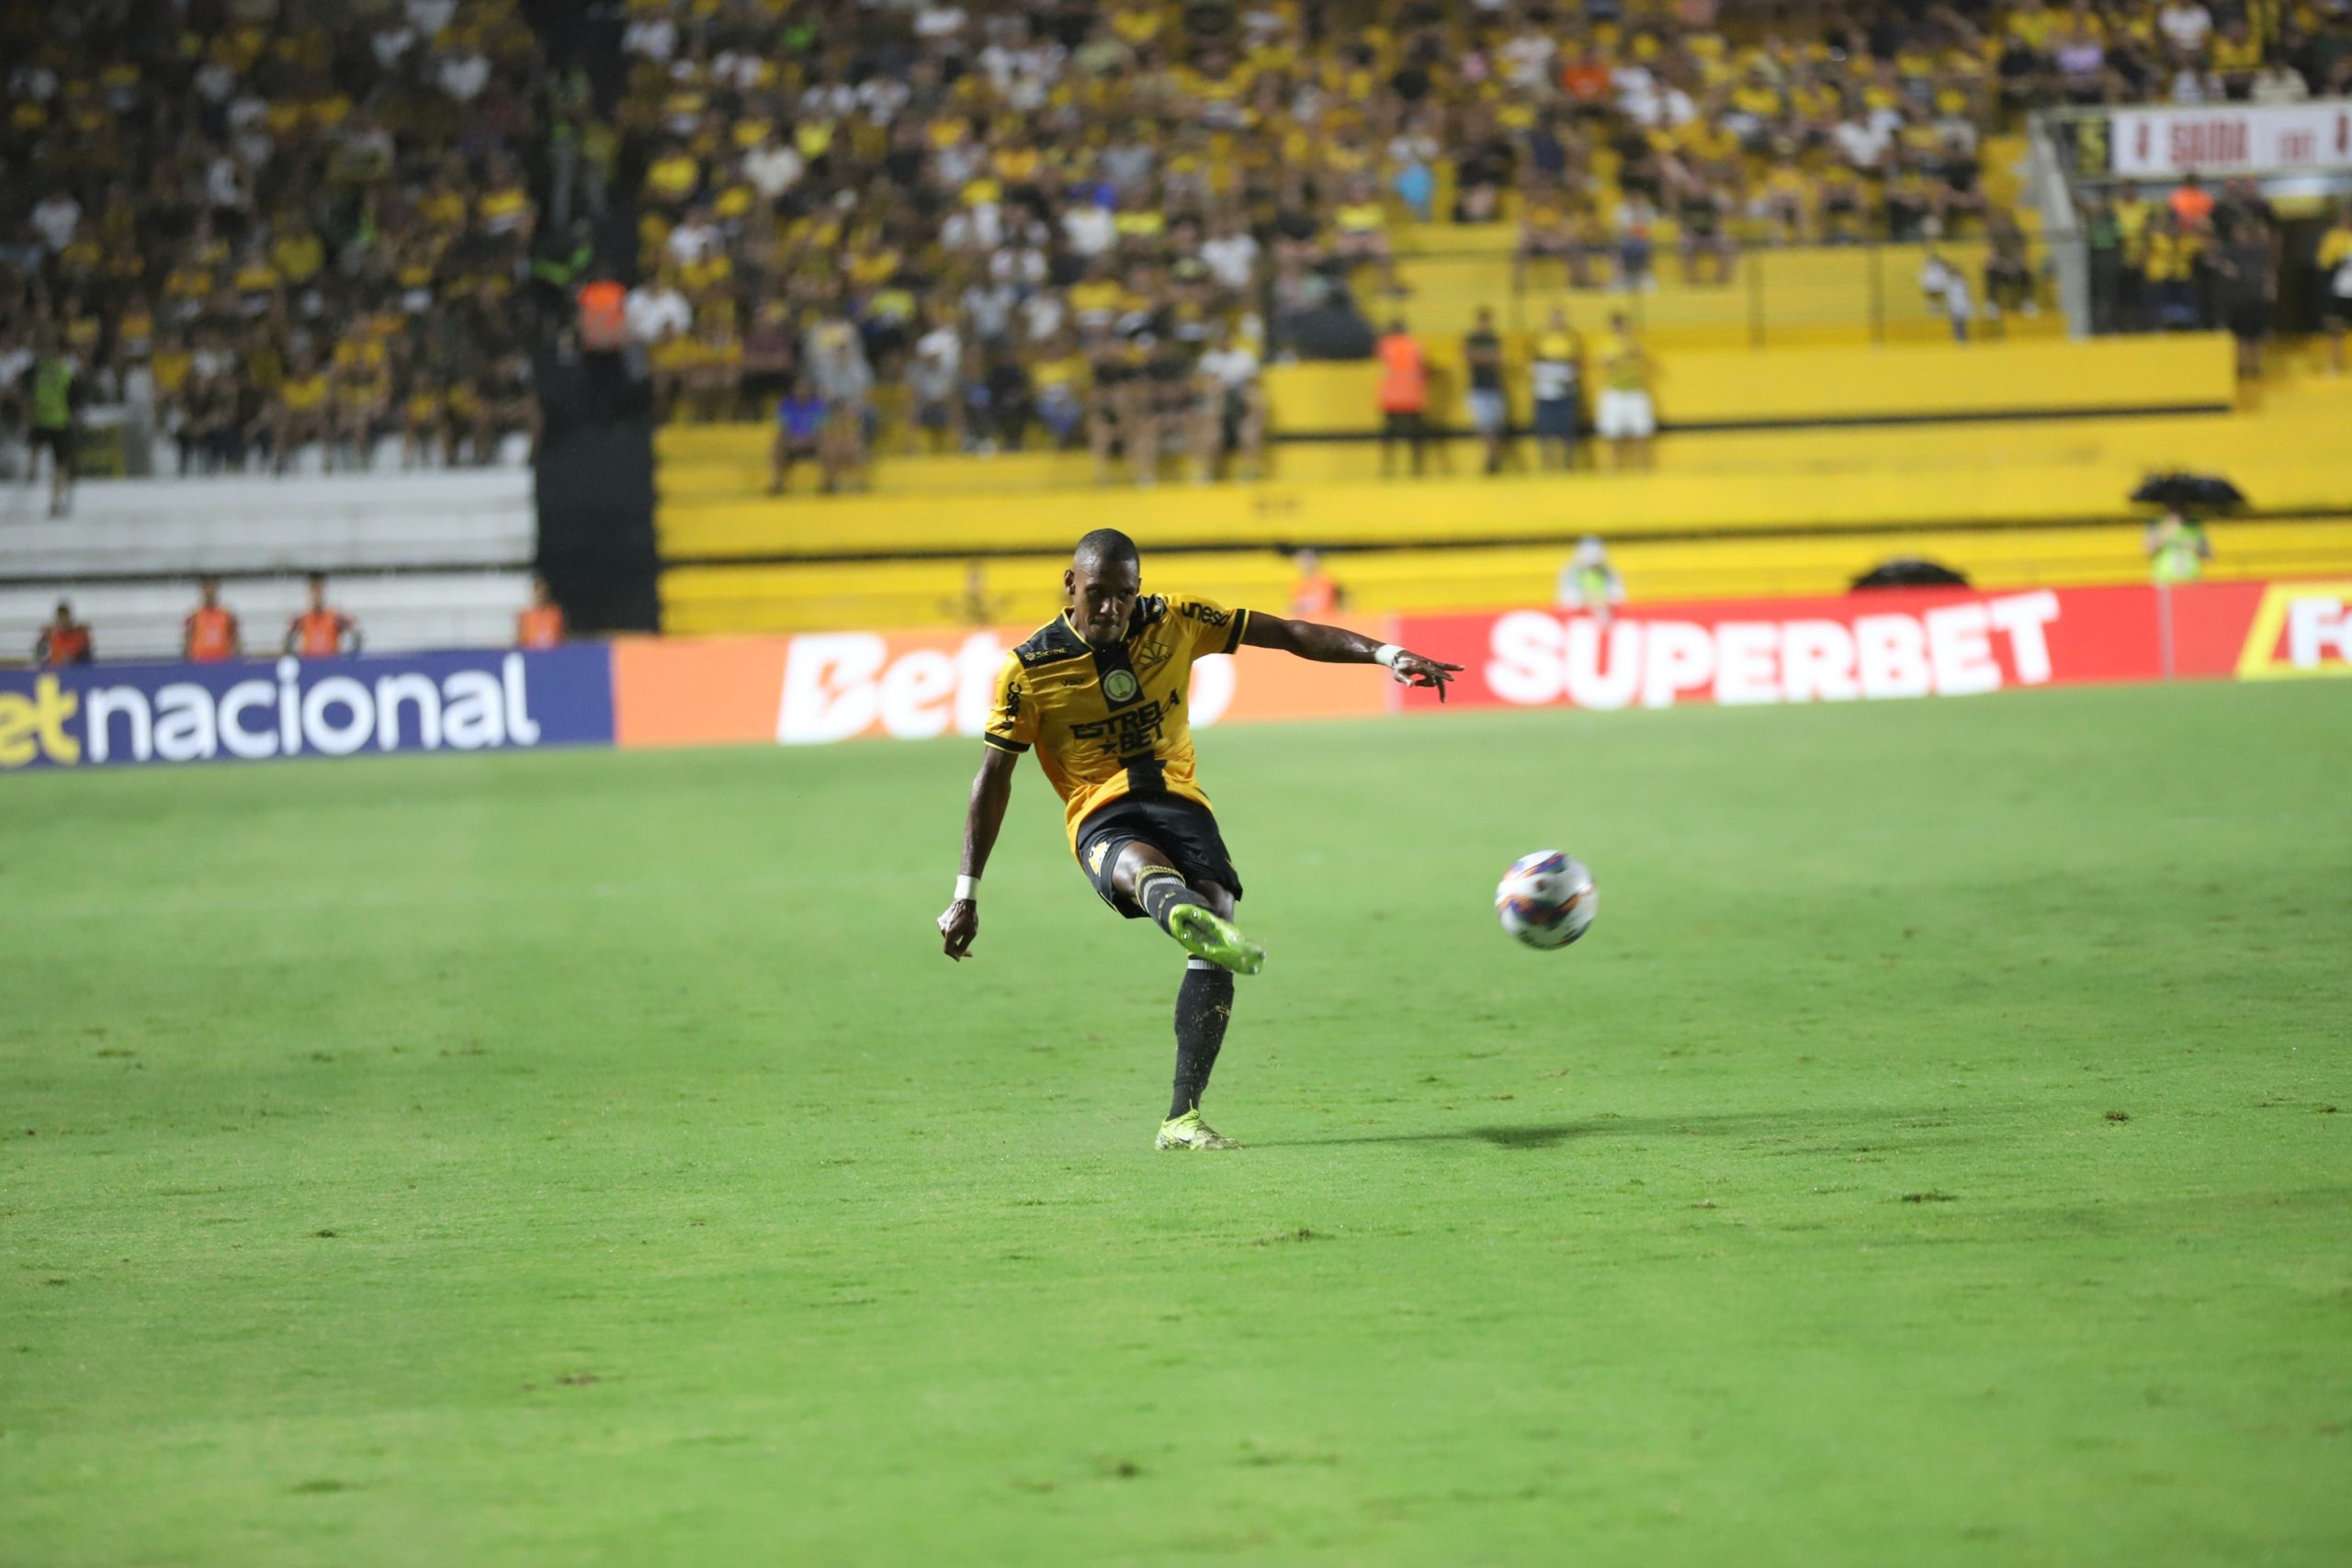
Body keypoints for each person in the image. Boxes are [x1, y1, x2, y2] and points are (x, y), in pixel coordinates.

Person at [933, 528, 1462, 1150]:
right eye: (1097, 592)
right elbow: (994, 777)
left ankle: (1182, 1116)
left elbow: (1289, 633)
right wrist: (966, 891)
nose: (1110, 608)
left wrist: (1385, 653)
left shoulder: (1178, 617)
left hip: (1182, 802)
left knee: (1216, 921)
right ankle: (1178, 909)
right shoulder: (1027, 669)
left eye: (1123, 595)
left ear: (1138, 590)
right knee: (1145, 870)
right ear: (1071, 585)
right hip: (1101, 812)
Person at [22, 334, 80, 517]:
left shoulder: (37, 369)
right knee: (60, 464)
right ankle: (55, 501)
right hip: (59, 420)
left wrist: (28, 413)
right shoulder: (64, 370)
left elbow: (25, 389)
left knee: (35, 445)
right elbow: (74, 394)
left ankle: (32, 469)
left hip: (39, 418)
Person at [1593, 314, 1656, 472]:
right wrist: (1621, 353)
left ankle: (1644, 466)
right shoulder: (1606, 343)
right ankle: (1615, 466)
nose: (1621, 329)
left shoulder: (1638, 342)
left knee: (1641, 430)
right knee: (1612, 431)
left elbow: (1648, 360)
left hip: (1636, 391)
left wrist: (1633, 351)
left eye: (1623, 325)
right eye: (1617, 326)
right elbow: (1604, 361)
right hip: (1615, 392)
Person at [1374, 319, 1430, 479]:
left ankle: (1387, 468)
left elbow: (1377, 354)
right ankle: (1417, 469)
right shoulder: (1416, 345)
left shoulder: (1386, 344)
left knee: (1389, 434)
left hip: (1391, 395)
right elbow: (1424, 367)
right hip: (1412, 394)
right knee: (1416, 434)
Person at [1530, 310, 1583, 471]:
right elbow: (1534, 361)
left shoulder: (1571, 338)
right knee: (1545, 431)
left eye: (1560, 318)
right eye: (1554, 318)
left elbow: (1577, 362)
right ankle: (1547, 465)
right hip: (1545, 392)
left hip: (1565, 391)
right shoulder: (1541, 338)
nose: (1557, 321)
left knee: (1567, 429)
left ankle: (1568, 465)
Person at [1464, 308, 1509, 476]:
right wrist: (1489, 357)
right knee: (1483, 426)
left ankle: (1491, 458)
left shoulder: (1494, 338)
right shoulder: (1472, 338)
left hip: (1494, 387)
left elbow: (1501, 359)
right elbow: (1469, 357)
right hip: (1478, 388)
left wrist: (1482, 357)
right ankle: (1490, 459)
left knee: (1494, 426)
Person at [769, 378, 830, 495]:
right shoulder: (785, 405)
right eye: (798, 388)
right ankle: (777, 484)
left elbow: (821, 430)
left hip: (812, 444)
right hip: (792, 443)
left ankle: (827, 483)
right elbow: (782, 429)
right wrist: (792, 441)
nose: (801, 391)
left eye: (804, 388)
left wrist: (806, 440)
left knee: (826, 444)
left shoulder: (818, 406)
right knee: (777, 445)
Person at [287, 574, 361, 658]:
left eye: (319, 591)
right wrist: (296, 658)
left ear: (323, 592)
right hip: (309, 664)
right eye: (313, 591)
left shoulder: (335, 616)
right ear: (309, 593)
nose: (316, 596)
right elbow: (288, 641)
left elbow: (356, 634)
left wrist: (349, 657)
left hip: (331, 664)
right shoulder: (302, 618)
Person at [1556, 537, 1625, 625]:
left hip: (1604, 619)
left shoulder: (1608, 572)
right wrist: (1588, 600)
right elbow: (1566, 601)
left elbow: (1619, 597)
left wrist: (1602, 601)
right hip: (1578, 621)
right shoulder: (1571, 572)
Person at [2318, 205, 2352, 377]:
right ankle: (2335, 363)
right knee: (2336, 328)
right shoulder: (2334, 237)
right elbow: (2324, 262)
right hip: (2340, 289)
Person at [2144, 510, 2211, 584]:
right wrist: (2166, 533)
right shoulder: (2156, 525)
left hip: (2191, 582)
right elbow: (2148, 550)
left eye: (2180, 503)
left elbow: (2207, 556)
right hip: (2165, 582)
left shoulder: (2194, 526)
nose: (2176, 507)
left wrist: (2195, 547)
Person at [184, 577, 241, 662]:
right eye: (207, 589)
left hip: (222, 662)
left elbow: (235, 638)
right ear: (202, 592)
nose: (209, 592)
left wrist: (235, 660)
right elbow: (188, 640)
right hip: (199, 663)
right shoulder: (194, 616)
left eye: (212, 589)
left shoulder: (227, 615)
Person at [35, 601, 93, 666]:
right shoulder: (50, 634)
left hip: (75, 669)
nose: (64, 621)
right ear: (57, 619)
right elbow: (40, 655)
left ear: (70, 618)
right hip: (55, 669)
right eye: (61, 618)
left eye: (65, 617)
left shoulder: (79, 635)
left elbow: (87, 657)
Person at [1288, 549, 1344, 617]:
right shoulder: (1300, 583)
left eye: (1308, 560)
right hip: (1308, 621)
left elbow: (1324, 603)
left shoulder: (1325, 580)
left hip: (1324, 621)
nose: (1305, 564)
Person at [515, 575, 565, 649]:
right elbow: (520, 640)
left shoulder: (555, 614)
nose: (541, 596)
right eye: (539, 592)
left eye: (544, 592)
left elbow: (561, 638)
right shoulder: (525, 616)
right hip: (532, 654)